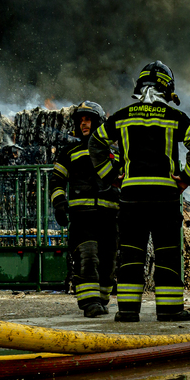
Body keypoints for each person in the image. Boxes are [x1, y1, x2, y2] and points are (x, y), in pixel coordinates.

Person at [89, 61, 190, 322]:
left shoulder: (122, 116)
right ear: (168, 89)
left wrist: (111, 176)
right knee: (167, 254)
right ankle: (170, 310)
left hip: (132, 199)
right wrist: (186, 178)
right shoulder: (175, 117)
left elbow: (96, 142)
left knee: (130, 254)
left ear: (139, 87)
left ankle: (128, 311)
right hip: (165, 198)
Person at [49, 100, 118, 317]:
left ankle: (102, 299)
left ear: (98, 122)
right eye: (81, 120)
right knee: (87, 257)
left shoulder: (113, 152)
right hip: (82, 218)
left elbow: (123, 181)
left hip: (109, 217)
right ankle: (90, 303)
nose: (83, 124)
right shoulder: (69, 152)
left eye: (88, 119)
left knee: (108, 262)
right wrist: (59, 203)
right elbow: (56, 181)